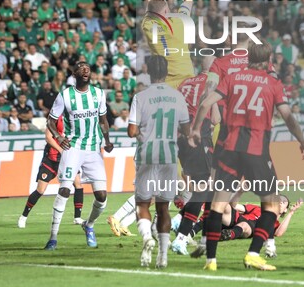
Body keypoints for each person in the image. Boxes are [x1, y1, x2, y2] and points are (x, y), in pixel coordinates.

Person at [189, 42, 304, 271]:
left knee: (217, 205)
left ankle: (211, 261)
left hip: (229, 150)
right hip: (256, 152)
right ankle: (254, 253)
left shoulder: (233, 78)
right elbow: (287, 115)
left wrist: (195, 130)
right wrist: (302, 140)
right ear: (268, 60)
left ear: (247, 59)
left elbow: (205, 102)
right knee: (272, 206)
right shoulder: (273, 83)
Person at [43, 61, 113, 250]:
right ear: (74, 74)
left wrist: (107, 139)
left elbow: (103, 119)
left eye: (88, 68)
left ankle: (88, 225)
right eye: (81, 68)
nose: (85, 70)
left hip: (93, 148)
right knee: (65, 189)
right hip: (73, 147)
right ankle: (53, 237)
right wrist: (58, 136)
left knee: (102, 196)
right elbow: (50, 121)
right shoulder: (65, 95)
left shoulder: (98, 93)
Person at [128, 55, 190, 269]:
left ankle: (147, 237)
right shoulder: (178, 96)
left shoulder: (140, 97)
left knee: (142, 204)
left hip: (147, 155)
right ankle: (163, 256)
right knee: (163, 208)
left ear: (149, 71)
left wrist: (142, 132)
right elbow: (186, 129)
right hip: (169, 156)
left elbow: (132, 131)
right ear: (166, 71)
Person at [170, 56, 219, 256]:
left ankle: (200, 236)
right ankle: (181, 235)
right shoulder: (212, 83)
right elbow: (216, 118)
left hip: (182, 139)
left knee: (207, 190)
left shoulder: (185, 83)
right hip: (199, 137)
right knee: (205, 189)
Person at [18, 115, 85, 228]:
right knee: (40, 190)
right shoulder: (55, 117)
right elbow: (48, 137)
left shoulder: (76, 117)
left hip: (68, 159)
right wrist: (61, 150)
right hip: (52, 159)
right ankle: (23, 217)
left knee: (78, 184)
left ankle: (77, 217)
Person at [141, 0, 194, 89]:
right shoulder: (180, 21)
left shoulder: (148, 25)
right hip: (187, 80)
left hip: (164, 83)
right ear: (166, 11)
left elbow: (149, 4)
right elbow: (188, 0)